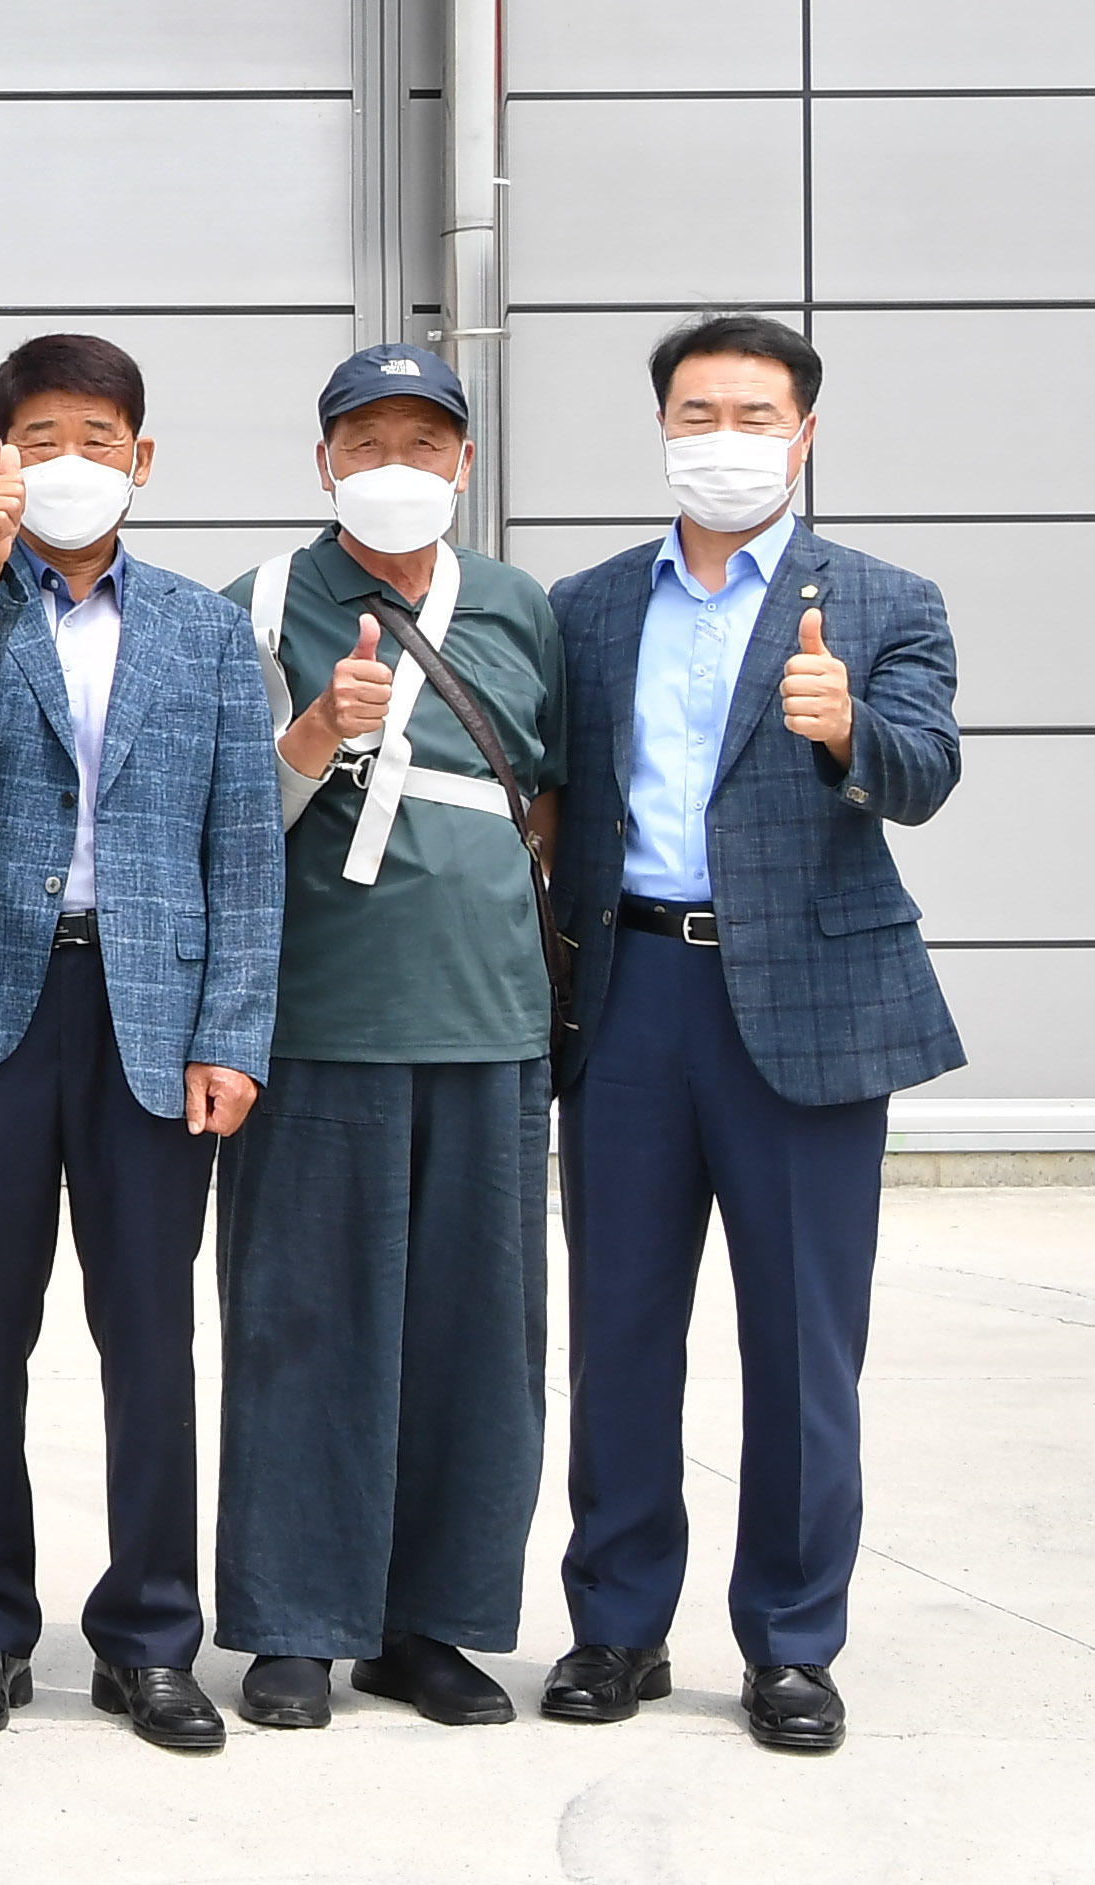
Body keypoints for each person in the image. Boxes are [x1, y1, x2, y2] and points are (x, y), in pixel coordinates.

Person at [542, 313, 962, 1756]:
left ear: (804, 434)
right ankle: (615, 1624)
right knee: (618, 1332)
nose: (723, 439)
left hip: (809, 1008)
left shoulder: (885, 599)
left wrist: (846, 728)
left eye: (754, 415)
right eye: (697, 414)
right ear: (662, 427)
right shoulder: (590, 607)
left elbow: (926, 774)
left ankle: (790, 1644)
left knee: (800, 1345)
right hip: (630, 995)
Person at [0, 334, 281, 1753]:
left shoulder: (206, 628)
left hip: (150, 1016)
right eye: (39, 438)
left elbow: (244, 845)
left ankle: (150, 1637)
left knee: (150, 1337)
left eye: (97, 438)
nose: (70, 461)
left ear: (141, 459)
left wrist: (232, 1031)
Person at [206, 345, 566, 1733]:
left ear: (463, 462)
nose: (395, 467)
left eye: (423, 444)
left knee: (478, 1341)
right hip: (317, 1024)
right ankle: (295, 1624)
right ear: (323, 464)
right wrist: (311, 733)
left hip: (488, 1023)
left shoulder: (519, 608)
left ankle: (430, 1626)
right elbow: (211, 825)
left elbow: (549, 802)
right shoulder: (259, 604)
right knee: (303, 1327)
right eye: (366, 445)